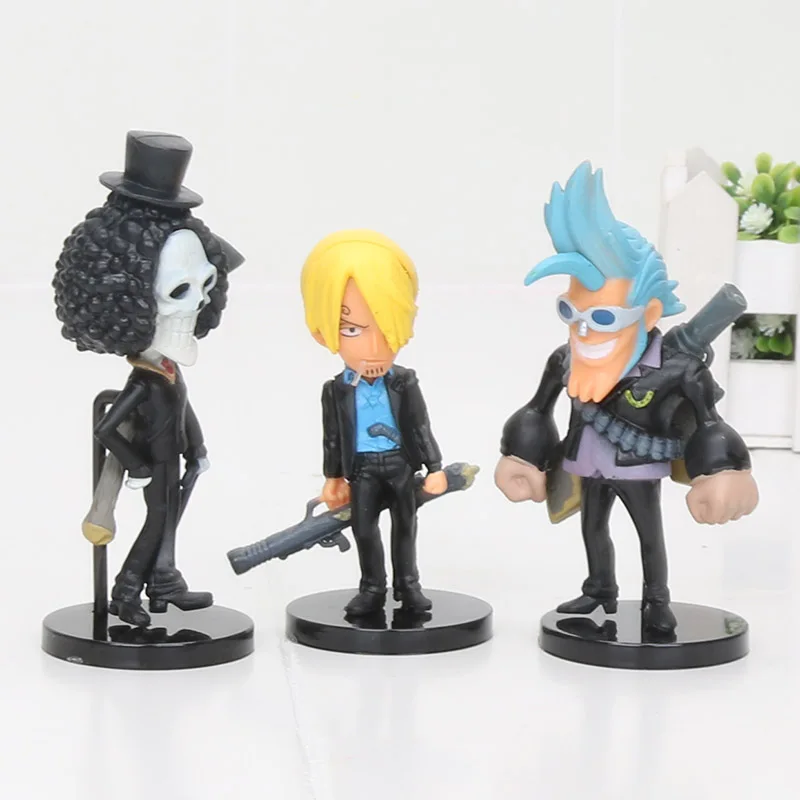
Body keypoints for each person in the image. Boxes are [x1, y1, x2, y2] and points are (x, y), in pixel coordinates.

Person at [494, 161, 759, 634]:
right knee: (593, 527)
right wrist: (522, 455)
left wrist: (725, 471)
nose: (583, 330)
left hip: (638, 465)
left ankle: (656, 600)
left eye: (603, 318)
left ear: (648, 313)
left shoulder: (675, 368)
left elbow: (708, 420)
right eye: (571, 312)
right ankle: (600, 589)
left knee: (648, 536)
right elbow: (538, 407)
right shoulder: (566, 360)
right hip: (587, 462)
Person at [301, 230, 447, 616]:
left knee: (405, 528)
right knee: (364, 530)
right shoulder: (336, 390)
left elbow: (419, 425)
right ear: (323, 333)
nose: (372, 347)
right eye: (351, 329)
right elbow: (332, 438)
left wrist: (434, 467)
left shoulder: (404, 381)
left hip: (400, 464)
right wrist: (333, 478)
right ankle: (371, 588)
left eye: (385, 328)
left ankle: (408, 586)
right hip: (362, 470)